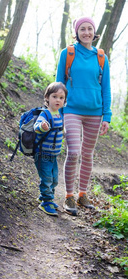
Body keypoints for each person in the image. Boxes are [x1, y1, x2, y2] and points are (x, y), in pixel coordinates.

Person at [56, 16, 112, 216]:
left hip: (95, 113)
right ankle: (68, 195)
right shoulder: (68, 53)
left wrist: (107, 115)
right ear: (77, 32)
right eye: (82, 29)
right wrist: (58, 111)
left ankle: (82, 194)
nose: (86, 32)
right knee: (73, 152)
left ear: (94, 32)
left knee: (87, 155)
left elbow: (105, 88)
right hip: (71, 110)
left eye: (90, 29)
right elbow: (59, 84)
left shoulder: (101, 57)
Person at [34, 82, 68, 216]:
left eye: (61, 97)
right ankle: (46, 202)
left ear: (64, 100)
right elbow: (36, 127)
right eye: (54, 96)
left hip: (53, 155)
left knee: (54, 179)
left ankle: (46, 197)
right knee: (47, 178)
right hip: (43, 154)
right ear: (47, 98)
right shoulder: (45, 114)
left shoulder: (59, 115)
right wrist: (42, 126)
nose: (58, 100)